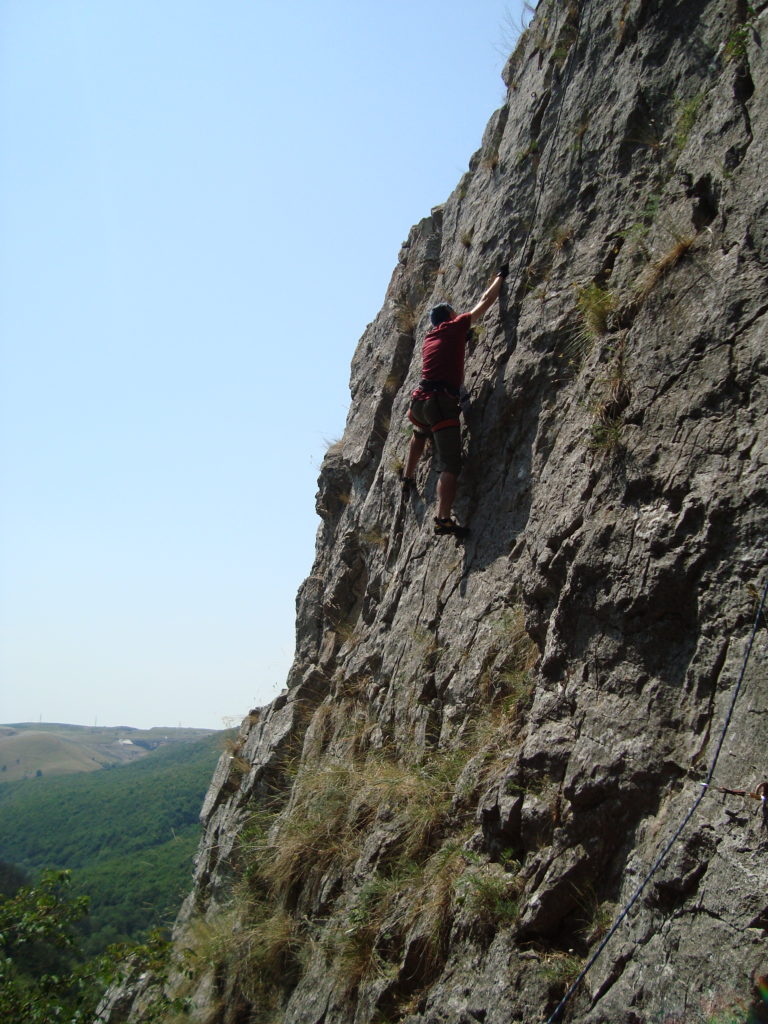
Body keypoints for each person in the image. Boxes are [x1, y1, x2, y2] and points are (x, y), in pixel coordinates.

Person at [401, 263, 508, 538]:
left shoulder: (430, 338)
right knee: (451, 465)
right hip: (440, 403)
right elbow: (485, 301)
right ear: (450, 316)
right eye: (454, 312)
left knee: (420, 431)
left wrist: (464, 336)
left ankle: (408, 475)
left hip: (420, 401)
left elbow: (448, 348)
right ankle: (443, 519)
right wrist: (500, 276)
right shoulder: (456, 325)